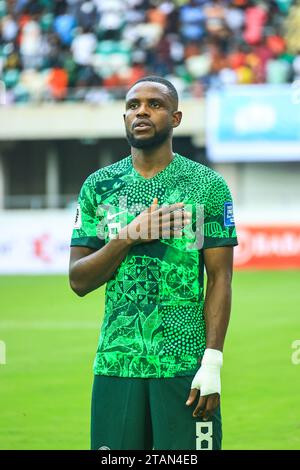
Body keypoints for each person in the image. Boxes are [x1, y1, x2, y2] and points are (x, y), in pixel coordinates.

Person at [69, 76, 238, 450]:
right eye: (132, 105)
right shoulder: (99, 186)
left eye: (154, 104)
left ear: (176, 118)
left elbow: (220, 278)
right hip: (118, 361)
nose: (141, 111)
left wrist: (211, 362)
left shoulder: (207, 185)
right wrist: (130, 234)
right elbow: (78, 280)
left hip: (184, 362)